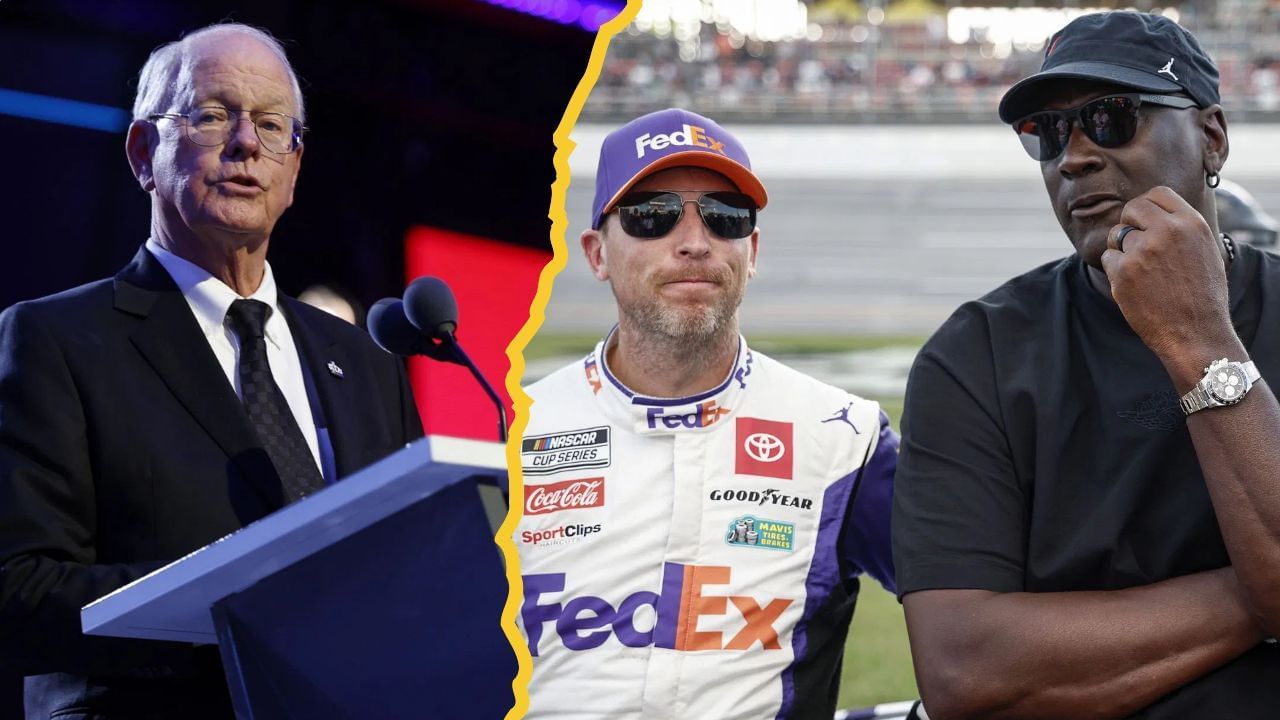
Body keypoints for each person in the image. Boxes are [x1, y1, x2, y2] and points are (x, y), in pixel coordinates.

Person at [0, 24, 422, 719]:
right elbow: (18, 589)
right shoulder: (58, 340)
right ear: (144, 152)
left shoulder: (366, 363)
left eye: (271, 125)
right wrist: (225, 596)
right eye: (212, 115)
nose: (246, 144)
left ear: (294, 168)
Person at [893, 11, 1280, 719]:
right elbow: (964, 673)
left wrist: (1199, 341)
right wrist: (1259, 592)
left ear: (1211, 137)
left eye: (1110, 118)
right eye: (1046, 132)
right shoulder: (975, 355)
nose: (1072, 156)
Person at [517, 108, 898, 719]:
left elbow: (980, 614)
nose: (694, 241)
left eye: (724, 216)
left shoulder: (844, 437)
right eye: (652, 216)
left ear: (752, 250)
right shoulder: (511, 430)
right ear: (596, 254)